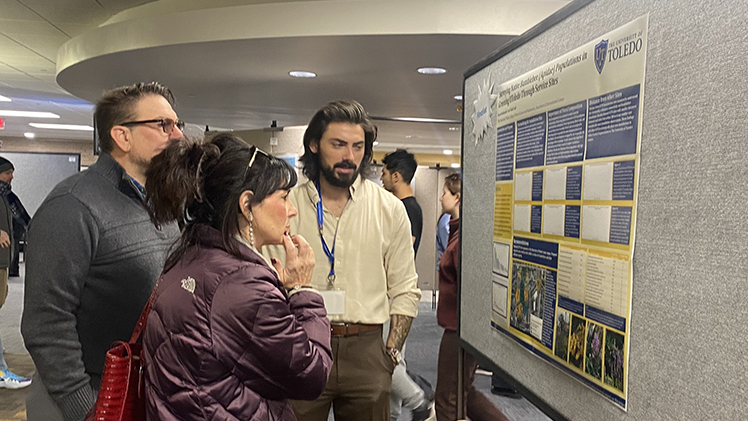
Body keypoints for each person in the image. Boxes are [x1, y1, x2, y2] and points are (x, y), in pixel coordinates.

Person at [21, 82, 182, 421]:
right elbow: (45, 323)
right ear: (122, 137)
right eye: (163, 125)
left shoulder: (162, 205)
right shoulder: (72, 206)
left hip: (141, 395)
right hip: (85, 404)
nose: (177, 135)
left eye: (177, 124)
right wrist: (88, 409)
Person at [142, 134, 333, 420]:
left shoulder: (191, 256)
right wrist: (302, 290)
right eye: (283, 197)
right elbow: (310, 375)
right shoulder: (241, 284)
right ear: (247, 205)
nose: (292, 210)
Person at [268, 100, 421, 421]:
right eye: (338, 144)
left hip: (366, 349)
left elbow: (405, 289)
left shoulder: (389, 209)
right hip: (300, 342)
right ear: (314, 144)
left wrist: (390, 355)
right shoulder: (286, 206)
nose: (349, 156)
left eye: (357, 146)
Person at [434, 173, 510, 421]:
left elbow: (473, 286)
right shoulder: (457, 231)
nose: (440, 197)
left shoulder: (466, 238)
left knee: (448, 401)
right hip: (459, 325)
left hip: (461, 328)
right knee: (464, 393)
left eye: (444, 193)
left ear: (457, 197)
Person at [380, 149, 433, 421]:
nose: (381, 177)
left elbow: (396, 255)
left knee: (386, 360)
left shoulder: (404, 210)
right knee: (395, 357)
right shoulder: (408, 207)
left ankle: (419, 400)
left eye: (385, 172)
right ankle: (392, 414)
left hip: (394, 296)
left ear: (396, 175)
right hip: (393, 295)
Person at [0, 157, 31, 389]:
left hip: (2, 262)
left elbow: (22, 216)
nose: (12, 177)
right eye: (9, 172)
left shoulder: (6, 195)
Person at [381, 149, 423, 255]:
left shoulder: (410, 208)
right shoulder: (400, 205)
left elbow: (406, 247)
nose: (381, 178)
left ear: (395, 176)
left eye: (384, 174)